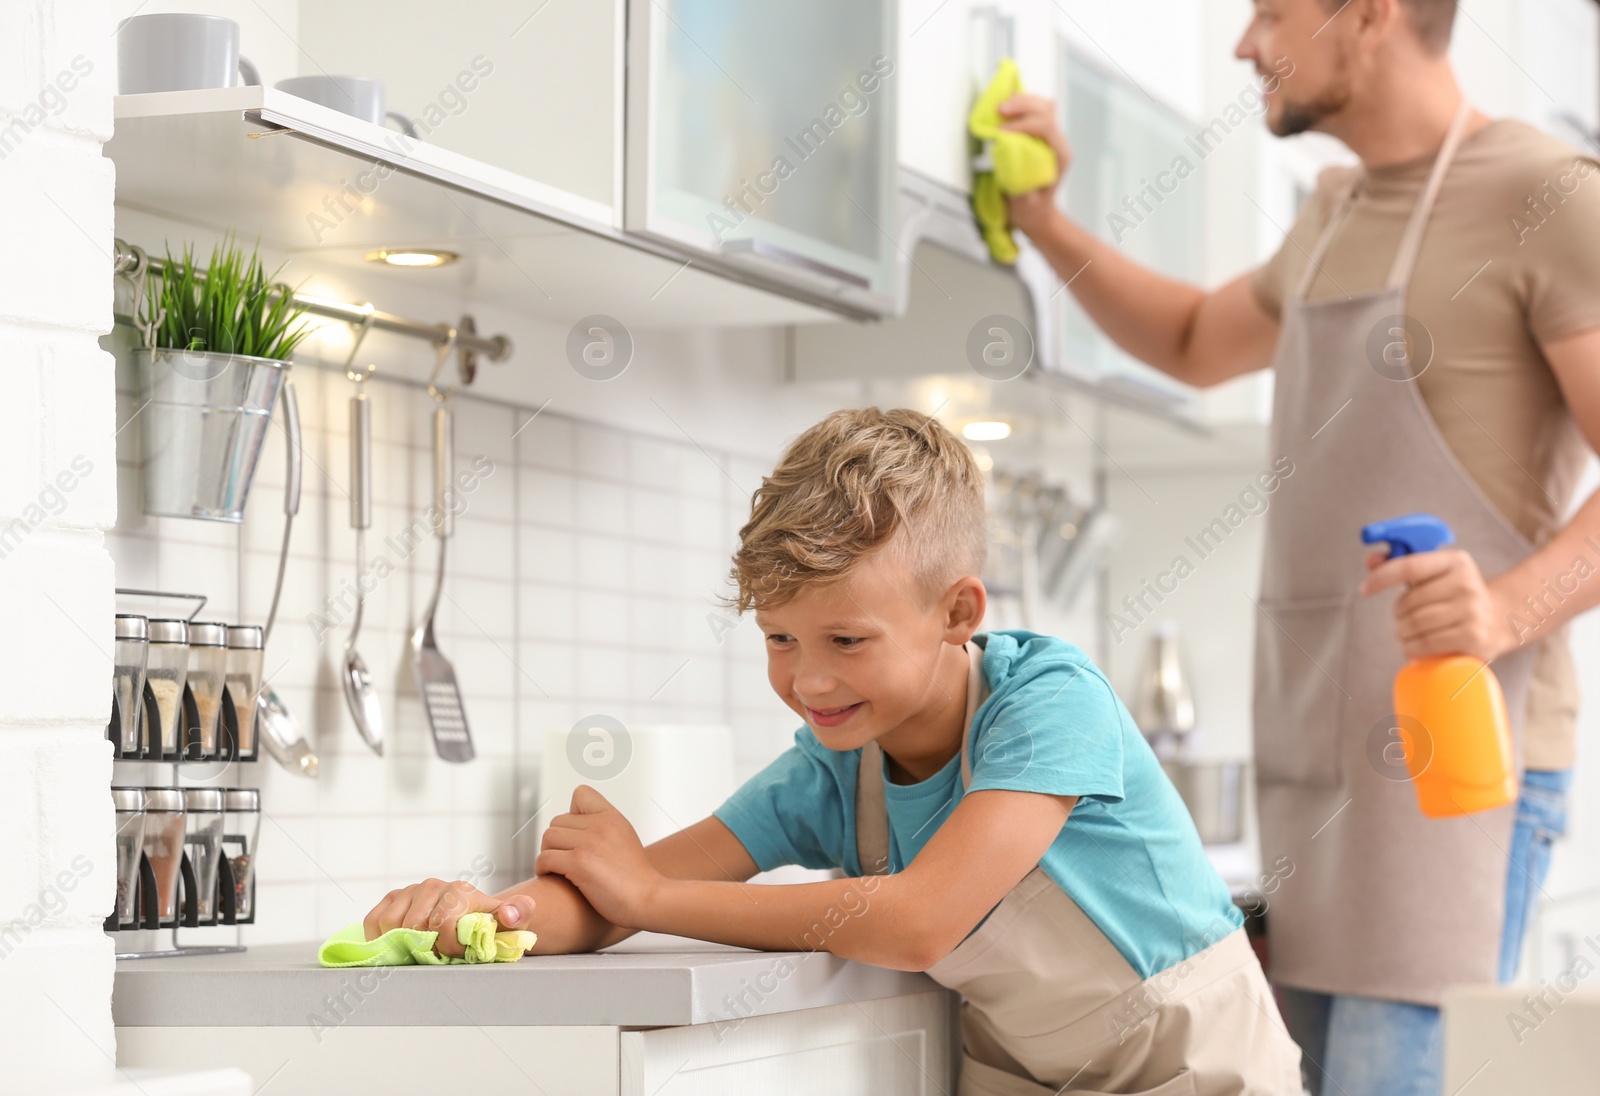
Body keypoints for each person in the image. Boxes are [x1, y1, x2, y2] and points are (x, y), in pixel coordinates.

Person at [995, 0, 1600, 1092]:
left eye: (1270, 12)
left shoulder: (1545, 195)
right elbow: (1188, 341)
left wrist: (1505, 609)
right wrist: (1043, 222)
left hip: (1454, 777)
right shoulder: (1330, 208)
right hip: (1316, 773)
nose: (1243, 44)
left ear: (1366, 14)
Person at [364, 408, 1304, 1093]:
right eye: (780, 639)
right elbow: (616, 898)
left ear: (958, 612)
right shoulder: (831, 771)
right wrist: (484, 916)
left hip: (1193, 1069)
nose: (809, 681)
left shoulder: (1048, 702)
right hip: (1026, 1075)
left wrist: (649, 897)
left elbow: (922, 920)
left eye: (845, 642)